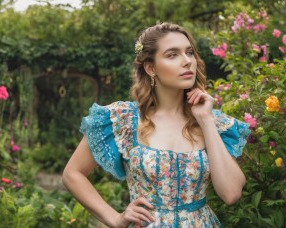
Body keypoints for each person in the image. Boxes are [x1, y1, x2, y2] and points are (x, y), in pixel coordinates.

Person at [62, 22, 250, 228]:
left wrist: (206, 121)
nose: (187, 61)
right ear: (151, 68)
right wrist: (115, 218)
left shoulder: (213, 122)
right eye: (172, 55)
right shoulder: (122, 120)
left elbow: (231, 194)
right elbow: (73, 174)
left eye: (189, 53)